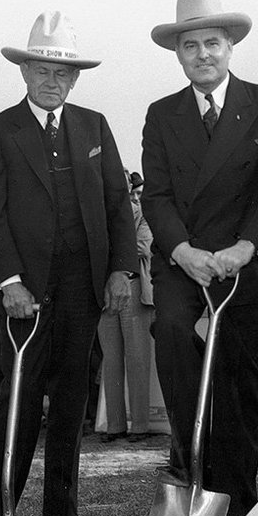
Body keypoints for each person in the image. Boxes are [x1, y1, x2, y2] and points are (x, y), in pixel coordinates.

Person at [0, 10, 137, 516]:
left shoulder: (95, 125)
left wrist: (120, 269)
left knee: (71, 404)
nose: (51, 80)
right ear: (23, 71)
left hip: (84, 289)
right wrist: (10, 282)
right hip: (25, 294)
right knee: (16, 398)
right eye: (41, 69)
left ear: (75, 78)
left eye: (62, 73)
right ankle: (1, 512)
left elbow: (117, 204)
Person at [141, 0, 258, 516]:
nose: (202, 54)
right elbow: (156, 196)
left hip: (245, 262)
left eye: (213, 42)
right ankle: (193, 470)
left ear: (231, 47)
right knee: (171, 337)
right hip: (185, 261)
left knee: (238, 380)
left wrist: (243, 248)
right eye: (191, 45)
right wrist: (182, 251)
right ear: (178, 54)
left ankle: (236, 498)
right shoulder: (162, 115)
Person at [98, 169, 155, 443]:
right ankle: (115, 425)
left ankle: (140, 425)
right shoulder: (97, 214)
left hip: (133, 287)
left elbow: (144, 248)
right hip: (105, 291)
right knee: (111, 361)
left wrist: (109, 251)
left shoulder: (140, 211)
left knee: (137, 359)